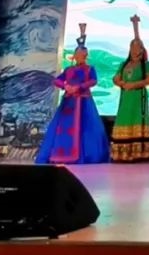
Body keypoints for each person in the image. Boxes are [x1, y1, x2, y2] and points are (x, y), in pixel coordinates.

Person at [36, 23, 110, 164]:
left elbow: (93, 81)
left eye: (83, 55)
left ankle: (85, 155)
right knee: (63, 128)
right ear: (75, 56)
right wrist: (66, 86)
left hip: (84, 102)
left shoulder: (90, 69)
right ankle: (62, 154)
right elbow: (56, 80)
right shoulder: (69, 70)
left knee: (85, 128)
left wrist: (79, 87)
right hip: (69, 103)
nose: (81, 57)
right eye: (79, 54)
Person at [111, 14, 149, 162]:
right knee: (123, 120)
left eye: (139, 49)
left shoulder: (146, 65)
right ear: (130, 49)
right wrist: (121, 84)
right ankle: (122, 154)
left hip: (138, 97)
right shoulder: (124, 64)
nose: (136, 52)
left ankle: (138, 153)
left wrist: (134, 85)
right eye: (133, 48)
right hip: (126, 97)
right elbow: (115, 78)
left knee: (137, 120)